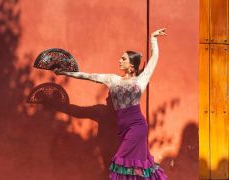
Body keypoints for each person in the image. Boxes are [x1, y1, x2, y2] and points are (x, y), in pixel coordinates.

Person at [54, 28, 168, 179]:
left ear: (132, 65)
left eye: (123, 59)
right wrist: (65, 72)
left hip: (137, 127)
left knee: (120, 163)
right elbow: (88, 76)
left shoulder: (141, 80)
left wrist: (153, 39)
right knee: (131, 167)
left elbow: (153, 60)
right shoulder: (112, 79)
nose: (119, 61)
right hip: (123, 129)